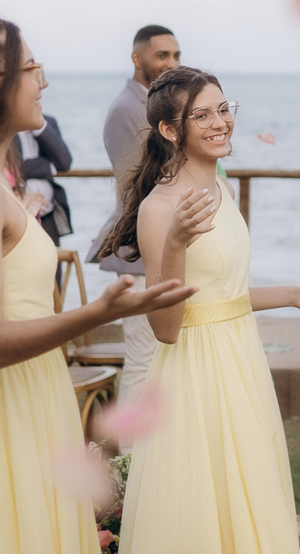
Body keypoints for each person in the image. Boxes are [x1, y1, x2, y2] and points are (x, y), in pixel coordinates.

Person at [99, 66, 300, 553]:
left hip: (241, 363)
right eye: (202, 114)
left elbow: (222, 297)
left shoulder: (224, 192)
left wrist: (291, 293)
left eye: (224, 109)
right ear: (170, 130)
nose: (220, 122)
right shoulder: (160, 208)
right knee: (199, 503)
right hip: (193, 373)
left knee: (248, 488)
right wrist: (176, 243)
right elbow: (166, 327)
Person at [0, 16, 195, 554]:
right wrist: (95, 313)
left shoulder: (0, 181)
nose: (44, 81)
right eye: (31, 67)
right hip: (6, 404)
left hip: (36, 390)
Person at [88, 25, 180, 416]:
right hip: (141, 245)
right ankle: (129, 460)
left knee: (158, 358)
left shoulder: (152, 105)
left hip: (161, 243)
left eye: (176, 55)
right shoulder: (129, 108)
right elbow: (140, 187)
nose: (171, 63)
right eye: (162, 55)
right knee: (143, 358)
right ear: (137, 58)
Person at [12, 113, 73, 245]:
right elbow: (13, 168)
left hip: (48, 213)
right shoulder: (6, 125)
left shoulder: (48, 123)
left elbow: (64, 163)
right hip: (18, 215)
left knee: (54, 262)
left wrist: (40, 127)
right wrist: (49, 166)